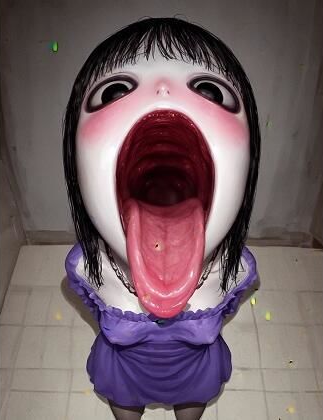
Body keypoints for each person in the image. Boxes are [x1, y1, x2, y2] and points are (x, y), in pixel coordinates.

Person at [63, 17, 261, 420]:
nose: (164, 90)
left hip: (195, 380)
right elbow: (89, 302)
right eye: (114, 90)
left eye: (211, 90)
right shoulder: (83, 266)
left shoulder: (239, 269)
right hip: (124, 380)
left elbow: (230, 306)